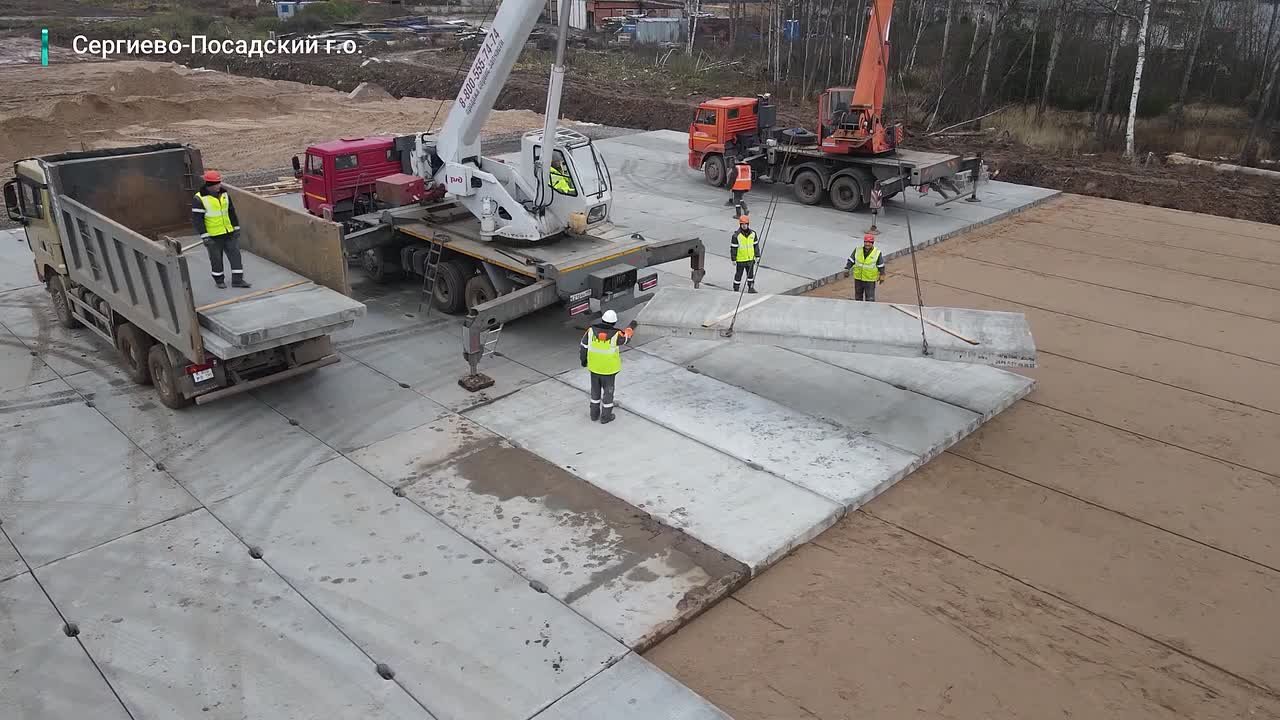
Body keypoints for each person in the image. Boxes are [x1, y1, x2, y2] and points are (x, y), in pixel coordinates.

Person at [192, 170, 250, 289]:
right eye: (216, 184)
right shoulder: (199, 199)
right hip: (213, 236)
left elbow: (231, 212)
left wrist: (236, 227)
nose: (219, 185)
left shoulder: (224, 194)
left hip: (228, 232)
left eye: (219, 183)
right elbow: (198, 220)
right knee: (216, 259)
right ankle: (219, 281)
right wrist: (205, 236)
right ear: (209, 185)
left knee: (235, 256)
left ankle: (238, 280)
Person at [579, 309, 634, 424]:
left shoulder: (590, 331)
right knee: (608, 394)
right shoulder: (616, 335)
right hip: (609, 371)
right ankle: (605, 417)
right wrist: (630, 329)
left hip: (594, 368)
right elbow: (626, 339)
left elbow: (583, 346)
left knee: (595, 392)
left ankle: (594, 415)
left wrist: (584, 361)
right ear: (614, 323)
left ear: (603, 319)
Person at [845, 233, 885, 301]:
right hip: (858, 278)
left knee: (870, 298)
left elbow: (880, 265)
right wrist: (847, 269)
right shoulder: (858, 250)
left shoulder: (877, 253)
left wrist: (882, 275)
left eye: (869, 242)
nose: (867, 244)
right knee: (858, 297)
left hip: (869, 280)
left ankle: (869, 310)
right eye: (866, 242)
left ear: (872, 243)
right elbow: (851, 260)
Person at [730, 215, 759, 294]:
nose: (744, 225)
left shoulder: (753, 234)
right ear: (740, 224)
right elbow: (733, 248)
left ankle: (751, 288)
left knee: (750, 275)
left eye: (745, 224)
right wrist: (733, 259)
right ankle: (736, 288)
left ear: (748, 224)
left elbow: (755, 245)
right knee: (738, 275)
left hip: (750, 259)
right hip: (741, 260)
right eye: (742, 224)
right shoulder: (736, 236)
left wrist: (757, 256)